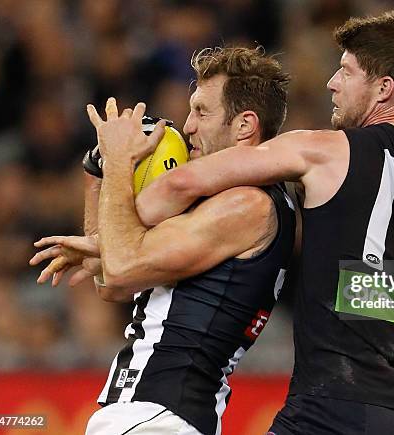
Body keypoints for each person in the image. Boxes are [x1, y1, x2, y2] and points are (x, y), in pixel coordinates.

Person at [113, 10, 394, 435]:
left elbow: (183, 181)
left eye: (346, 72)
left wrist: (123, 225)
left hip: (328, 410)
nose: (332, 82)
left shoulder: (324, 152)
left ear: (384, 88)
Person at [31, 47, 295, 435]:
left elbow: (119, 268)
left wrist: (121, 162)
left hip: (158, 414)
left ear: (245, 125)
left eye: (202, 112)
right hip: (157, 415)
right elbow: (109, 282)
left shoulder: (248, 204)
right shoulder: (215, 203)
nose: (187, 127)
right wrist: (100, 166)